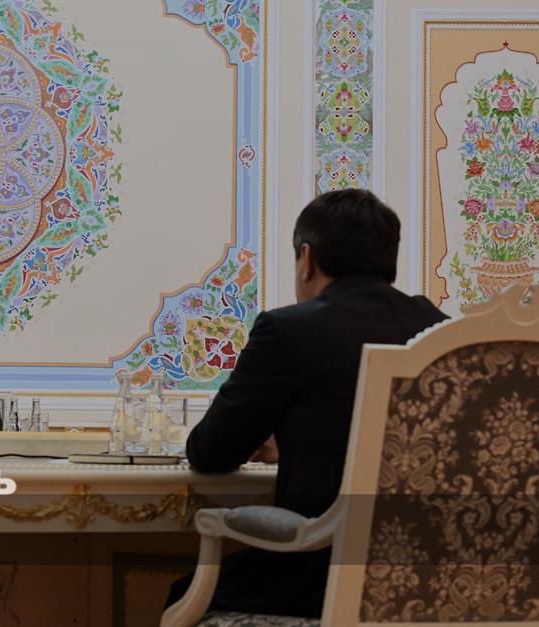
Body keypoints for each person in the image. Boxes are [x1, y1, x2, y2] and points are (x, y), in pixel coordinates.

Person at [166, 189, 448, 618]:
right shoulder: (438, 331)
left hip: (319, 577)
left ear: (306, 258)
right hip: (428, 581)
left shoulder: (288, 331)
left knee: (184, 595)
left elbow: (210, 452)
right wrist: (300, 435)